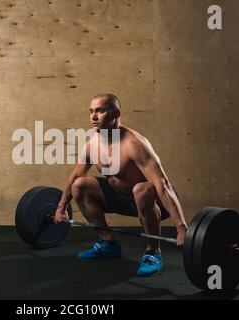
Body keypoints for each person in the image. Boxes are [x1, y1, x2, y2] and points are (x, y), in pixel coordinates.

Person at [54, 93, 188, 277]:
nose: (94, 116)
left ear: (116, 113)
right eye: (91, 111)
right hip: (120, 198)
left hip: (152, 201)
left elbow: (162, 184)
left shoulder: (134, 144)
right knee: (80, 185)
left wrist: (180, 226)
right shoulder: (92, 144)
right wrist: (61, 207)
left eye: (100, 111)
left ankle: (153, 252)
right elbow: (75, 175)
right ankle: (108, 244)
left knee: (141, 189)